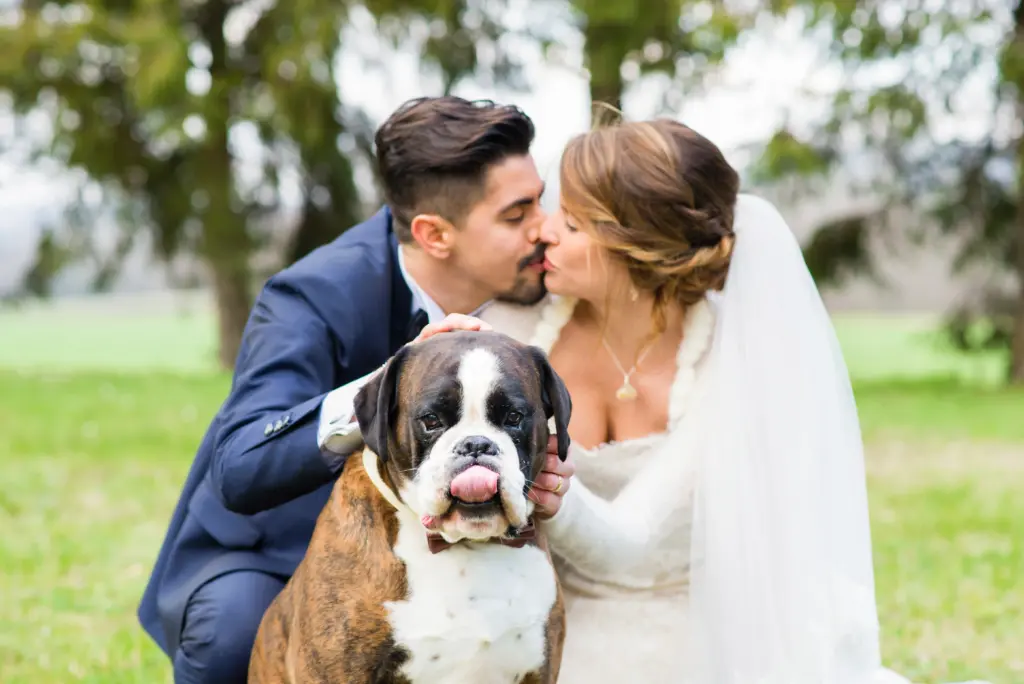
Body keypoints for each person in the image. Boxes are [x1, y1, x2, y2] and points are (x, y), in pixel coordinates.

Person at [465, 117, 992, 683]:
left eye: (570, 223)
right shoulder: (512, 330)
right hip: (539, 625)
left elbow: (632, 544)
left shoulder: (737, 358)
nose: (543, 231)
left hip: (700, 642)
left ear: (636, 246)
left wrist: (554, 497)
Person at [137, 95, 575, 684]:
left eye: (541, 201)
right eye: (517, 214)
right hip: (275, 548)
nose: (545, 228)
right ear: (434, 234)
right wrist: (382, 388)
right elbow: (238, 464)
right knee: (231, 635)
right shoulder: (315, 295)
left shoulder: (542, 287)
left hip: (482, 550)